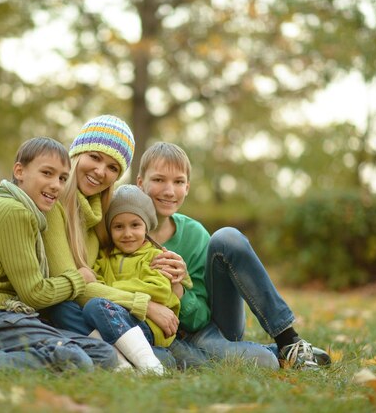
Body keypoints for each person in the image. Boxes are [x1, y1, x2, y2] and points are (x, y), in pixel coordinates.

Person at [137, 142, 332, 370]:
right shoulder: (124, 232)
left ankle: (288, 341)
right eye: (159, 180)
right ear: (141, 183)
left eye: (178, 181)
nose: (169, 190)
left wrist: (179, 290)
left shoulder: (194, 234)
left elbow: (200, 319)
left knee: (227, 237)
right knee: (265, 362)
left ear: (187, 187)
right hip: (161, 339)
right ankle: (274, 353)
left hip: (207, 329)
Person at [0, 137, 116, 371]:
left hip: (7, 317)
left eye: (63, 178)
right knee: (76, 360)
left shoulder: (28, 213)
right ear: (19, 171)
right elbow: (35, 294)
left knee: (103, 353)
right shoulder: (12, 211)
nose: (56, 185)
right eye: (47, 173)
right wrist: (79, 278)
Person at [41, 115, 176, 373]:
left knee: (83, 308)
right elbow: (74, 287)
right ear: (77, 153)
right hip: (60, 305)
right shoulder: (52, 204)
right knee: (61, 308)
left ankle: (125, 357)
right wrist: (145, 306)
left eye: (113, 168)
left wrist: (175, 282)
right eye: (95, 157)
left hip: (108, 312)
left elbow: (96, 284)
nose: (101, 171)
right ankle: (125, 360)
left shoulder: (98, 219)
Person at [81, 185, 194, 372]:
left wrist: (111, 289)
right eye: (118, 226)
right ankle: (126, 364)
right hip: (113, 318)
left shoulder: (156, 256)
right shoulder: (104, 257)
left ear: (146, 226)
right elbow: (92, 284)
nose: (127, 233)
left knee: (96, 305)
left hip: (147, 325)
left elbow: (158, 291)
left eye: (135, 225)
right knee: (66, 310)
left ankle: (149, 366)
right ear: (110, 229)